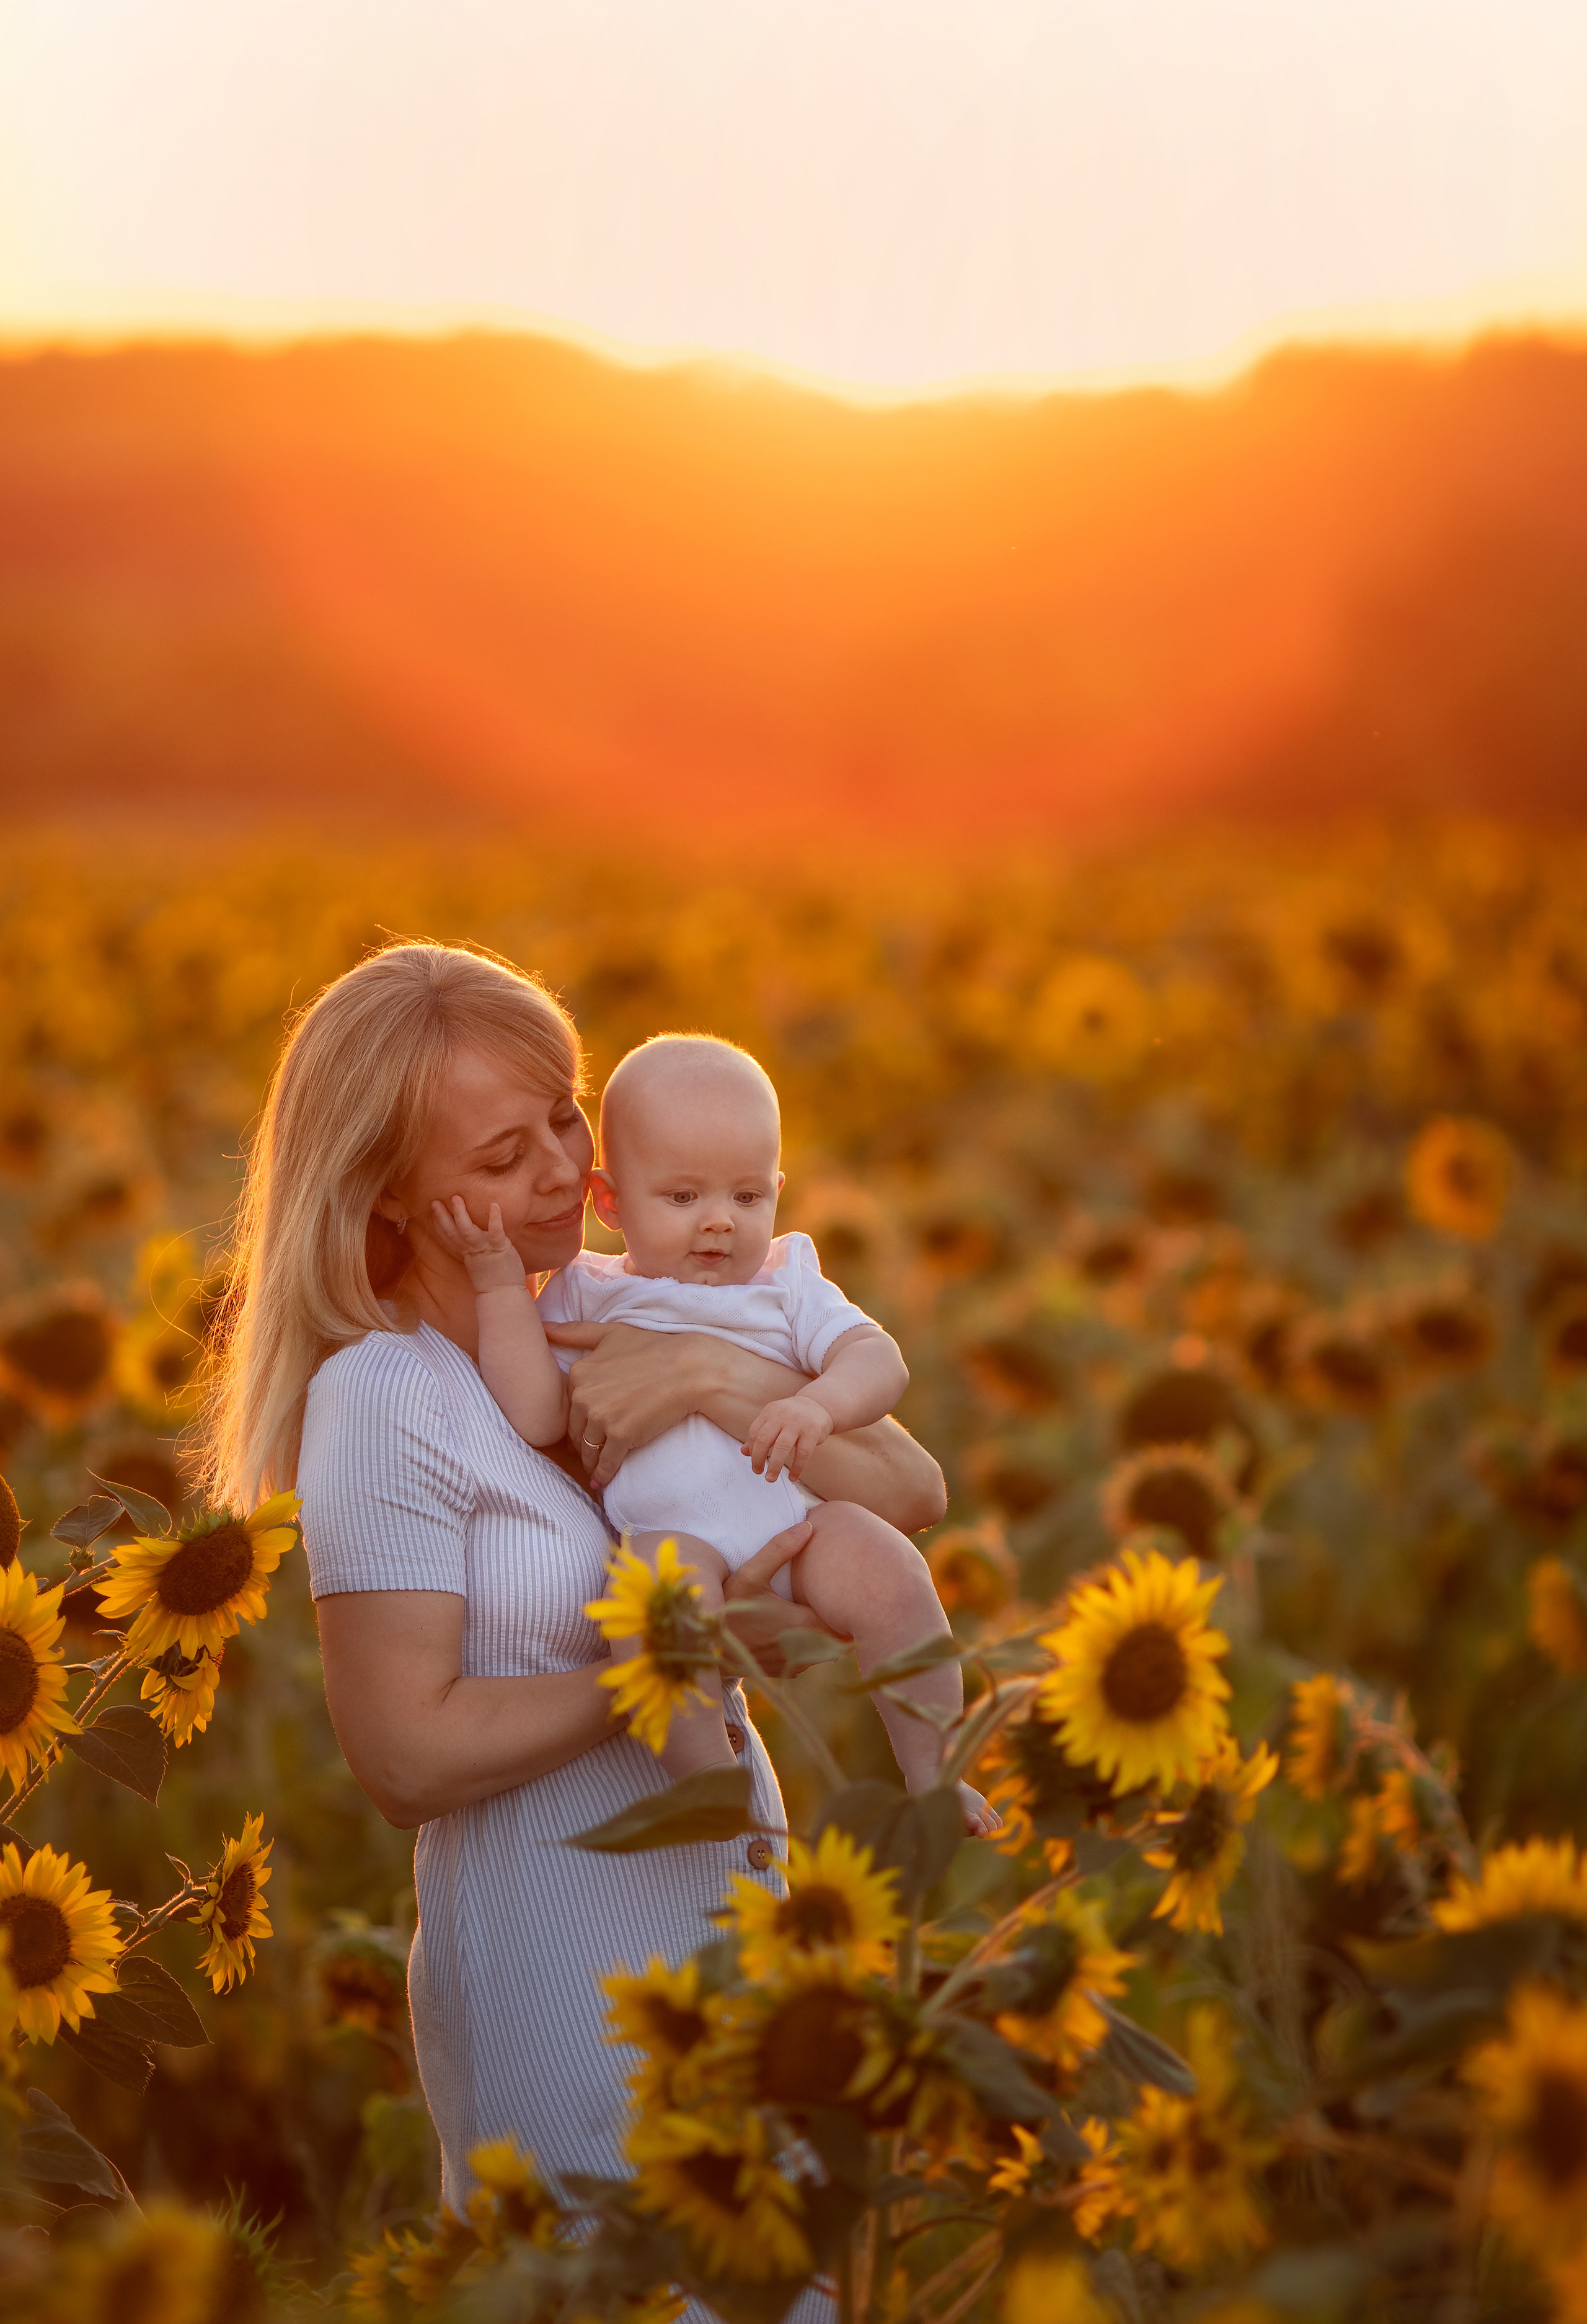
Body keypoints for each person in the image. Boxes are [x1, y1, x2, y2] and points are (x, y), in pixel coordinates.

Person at [198, 939, 947, 2227]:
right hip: (571, 1964)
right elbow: (403, 1756)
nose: (561, 1170)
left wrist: (715, 1377)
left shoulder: (583, 1310)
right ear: (389, 1196)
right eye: (500, 1158)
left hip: (719, 1928)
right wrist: (665, 1656)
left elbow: (908, 1490)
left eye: (563, 1115)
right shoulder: (383, 1398)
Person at [430, 1034, 996, 1834]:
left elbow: (878, 1360)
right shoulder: (585, 1293)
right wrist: (498, 1286)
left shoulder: (788, 1280)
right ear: (612, 1202)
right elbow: (536, 1413)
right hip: (673, 1534)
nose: (721, 1224)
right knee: (655, 1619)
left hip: (801, 1523)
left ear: (777, 1192)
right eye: (684, 1198)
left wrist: (821, 1406)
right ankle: (712, 1785)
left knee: (894, 1575)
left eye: (747, 1197)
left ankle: (935, 1770)